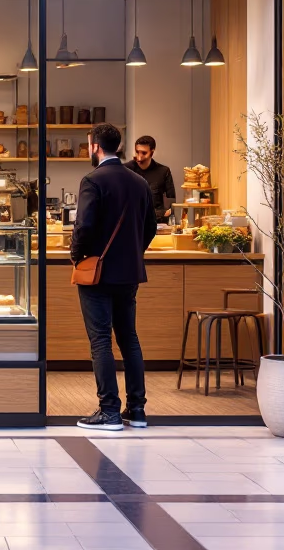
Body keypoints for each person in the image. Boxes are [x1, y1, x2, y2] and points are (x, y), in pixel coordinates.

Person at [70, 123, 158, 431]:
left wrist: (76, 255)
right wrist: (133, 252)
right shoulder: (139, 181)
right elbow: (151, 227)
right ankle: (137, 410)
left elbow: (83, 226)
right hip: (129, 272)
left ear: (95, 146)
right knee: (129, 338)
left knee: (101, 340)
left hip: (97, 273)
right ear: (118, 147)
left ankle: (109, 412)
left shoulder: (92, 180)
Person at [123, 135, 176, 222]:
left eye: (144, 153)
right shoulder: (126, 169)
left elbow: (171, 202)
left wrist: (163, 213)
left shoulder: (163, 171)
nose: (139, 157)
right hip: (132, 221)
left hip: (157, 222)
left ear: (152, 152)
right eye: (137, 152)